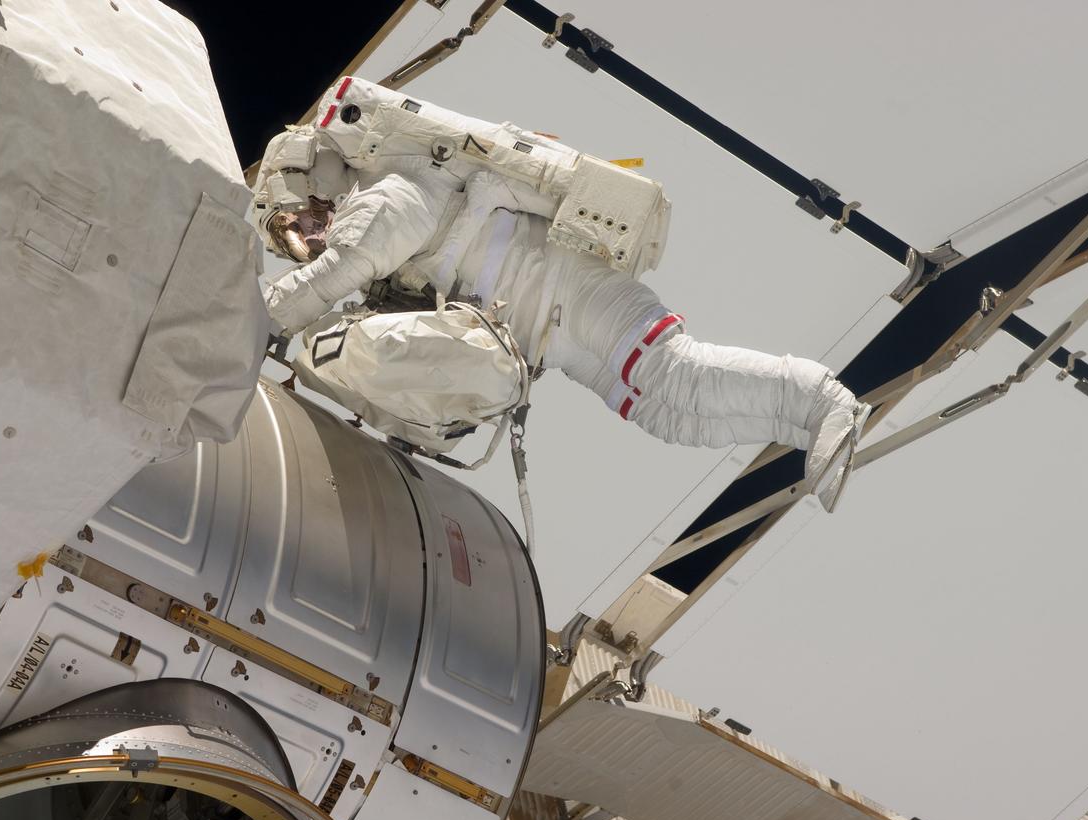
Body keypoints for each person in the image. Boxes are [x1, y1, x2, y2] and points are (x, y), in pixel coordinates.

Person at [255, 78, 869, 510]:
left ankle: (822, 399)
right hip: (547, 333)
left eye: (299, 220)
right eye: (293, 242)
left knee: (673, 374)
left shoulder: (390, 195)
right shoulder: (376, 221)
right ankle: (806, 431)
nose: (308, 238)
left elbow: (335, 274)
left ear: (314, 180)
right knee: (663, 414)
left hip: (569, 287)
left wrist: (250, 320)